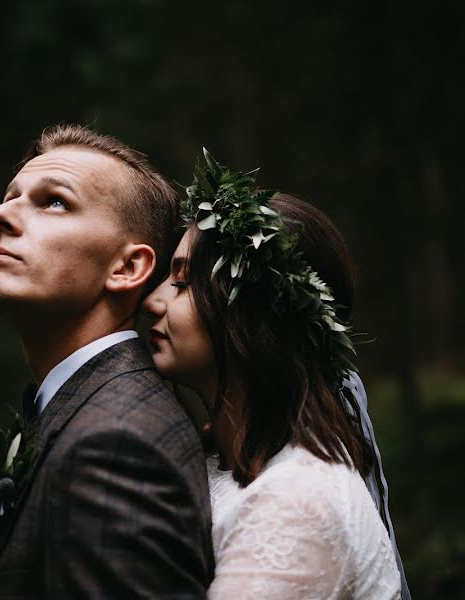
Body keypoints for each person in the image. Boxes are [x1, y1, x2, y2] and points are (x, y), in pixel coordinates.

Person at [0, 125, 214, 599]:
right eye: (10, 197)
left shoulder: (119, 441)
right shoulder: (78, 411)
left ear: (127, 268)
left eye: (54, 202)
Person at [141, 151, 406, 599]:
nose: (152, 301)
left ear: (252, 315)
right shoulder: (217, 465)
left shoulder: (298, 501)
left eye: (183, 283)